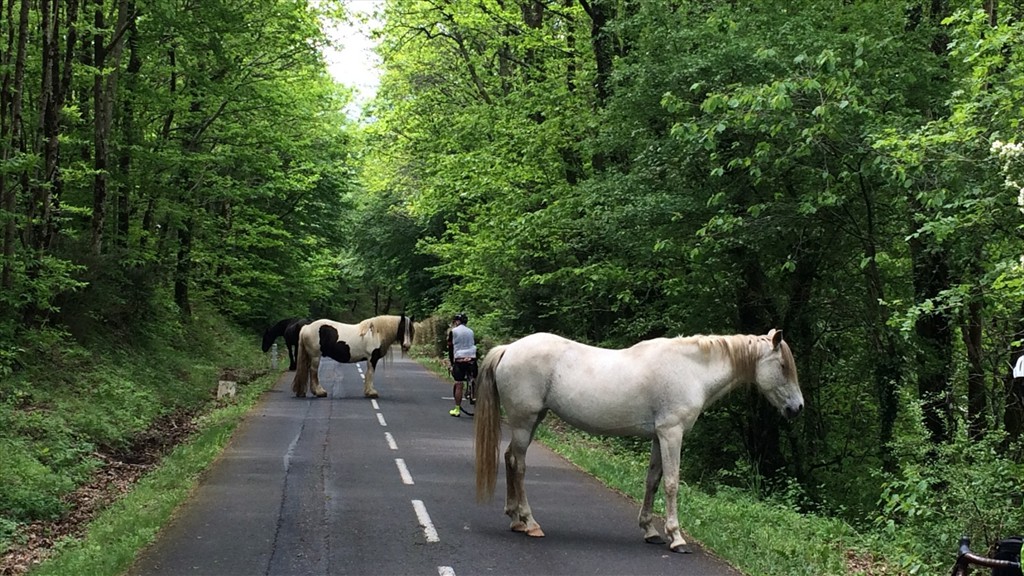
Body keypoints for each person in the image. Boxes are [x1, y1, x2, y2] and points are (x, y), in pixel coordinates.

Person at [447, 312, 477, 417]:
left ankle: (457, 409)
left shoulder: (453, 332)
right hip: (472, 358)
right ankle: (474, 394)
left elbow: (451, 349)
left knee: (459, 384)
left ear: (457, 321)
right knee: (474, 378)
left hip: (459, 359)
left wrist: (451, 363)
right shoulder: (471, 331)